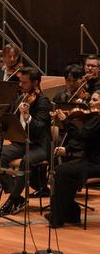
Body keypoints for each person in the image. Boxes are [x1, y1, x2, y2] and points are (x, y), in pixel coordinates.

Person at [0, 67, 51, 216]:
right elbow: (9, 121)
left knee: (26, 161)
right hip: (21, 143)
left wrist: (28, 117)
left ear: (35, 83)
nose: (20, 85)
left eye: (24, 82)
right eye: (20, 81)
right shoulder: (20, 98)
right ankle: (17, 196)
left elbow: (39, 129)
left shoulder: (43, 102)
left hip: (39, 145)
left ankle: (12, 200)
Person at [47, 90, 100, 227]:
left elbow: (81, 136)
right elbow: (88, 140)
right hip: (90, 160)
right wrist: (68, 149)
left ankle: (59, 216)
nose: (90, 102)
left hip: (95, 163)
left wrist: (65, 120)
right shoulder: (95, 118)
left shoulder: (97, 120)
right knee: (64, 172)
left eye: (95, 100)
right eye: (91, 99)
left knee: (60, 171)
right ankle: (69, 213)